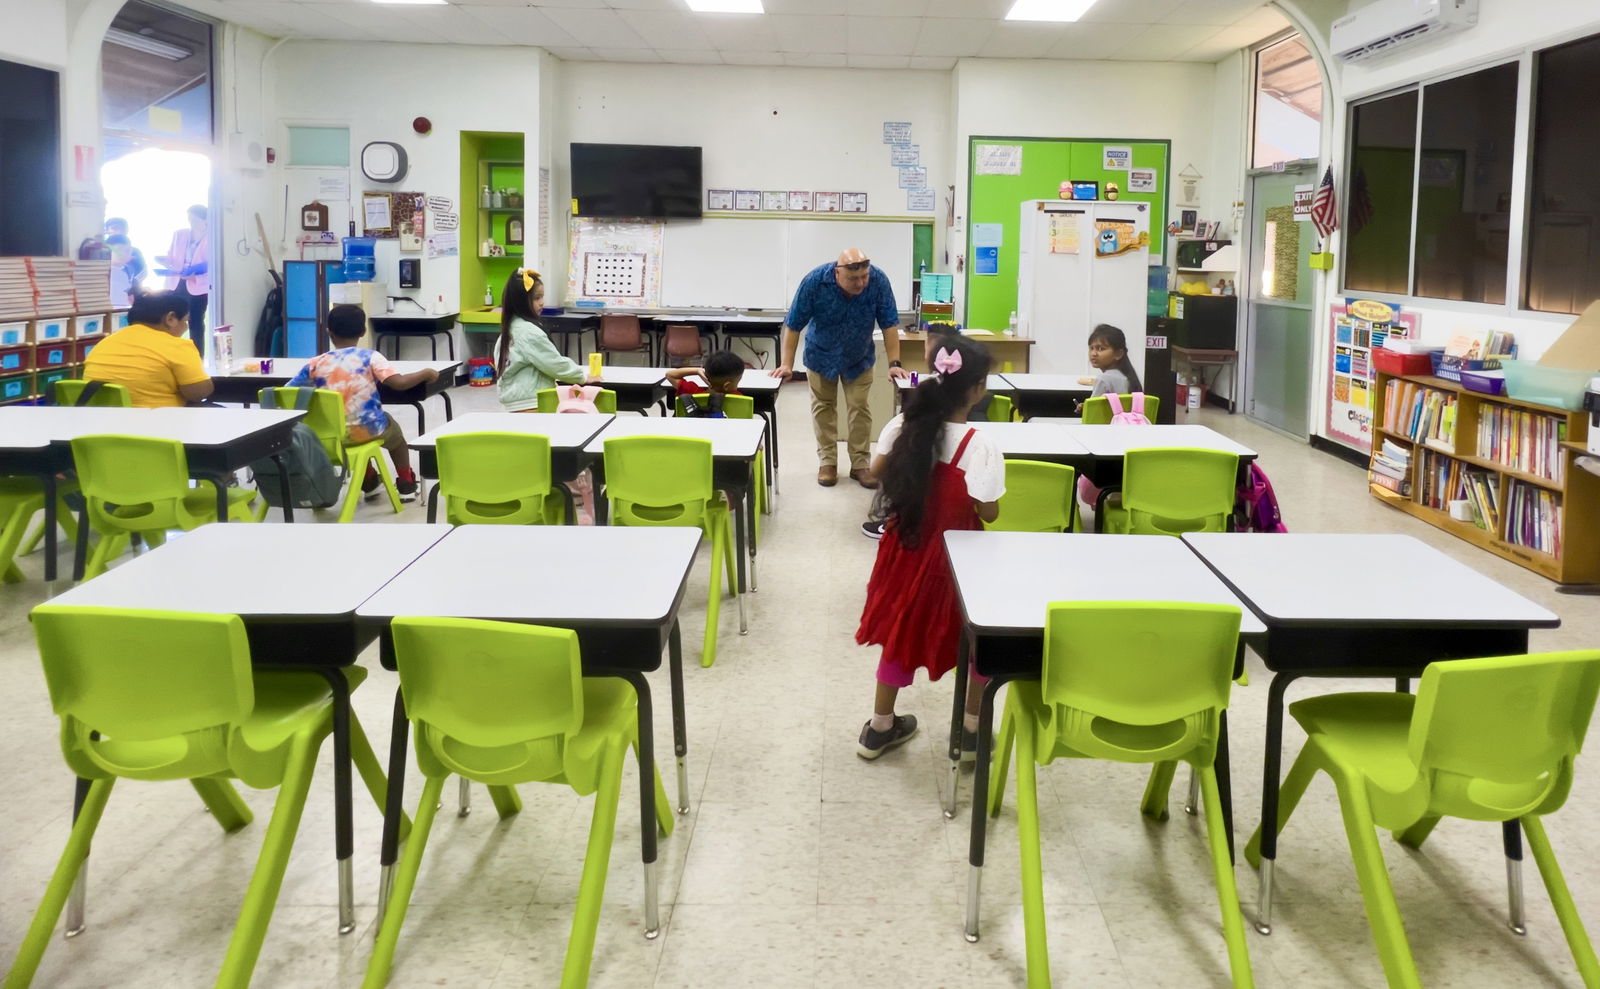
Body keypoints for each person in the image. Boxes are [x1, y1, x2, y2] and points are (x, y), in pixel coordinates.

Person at [854, 336, 1005, 759]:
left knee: (900, 633)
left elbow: (876, 472)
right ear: (976, 390)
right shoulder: (981, 444)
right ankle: (971, 730)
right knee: (977, 639)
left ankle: (880, 726)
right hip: (957, 560)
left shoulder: (904, 424)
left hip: (905, 547)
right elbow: (989, 512)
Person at [773, 248, 908, 489]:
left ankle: (860, 465)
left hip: (859, 357)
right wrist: (786, 363)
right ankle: (827, 462)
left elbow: (889, 324)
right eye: (854, 278)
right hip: (820, 356)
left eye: (864, 276)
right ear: (838, 273)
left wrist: (894, 364)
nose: (861, 283)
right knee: (823, 407)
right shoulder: (815, 282)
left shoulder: (878, 281)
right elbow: (793, 324)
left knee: (860, 408)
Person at [286, 304, 437, 502]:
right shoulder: (370, 357)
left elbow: (287, 392)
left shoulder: (315, 363)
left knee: (350, 427)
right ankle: (406, 483)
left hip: (331, 435)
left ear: (328, 332)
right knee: (396, 436)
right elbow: (398, 383)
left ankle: (369, 481)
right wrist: (426, 373)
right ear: (363, 331)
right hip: (369, 429)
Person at [861, 323, 964, 540]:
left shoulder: (902, 425)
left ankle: (894, 520)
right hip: (954, 524)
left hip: (909, 519)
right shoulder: (977, 439)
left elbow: (876, 470)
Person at [82, 290, 213, 408]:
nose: (185, 327)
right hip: (159, 426)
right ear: (171, 319)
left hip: (103, 427)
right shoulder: (176, 346)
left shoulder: (104, 344)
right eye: (185, 321)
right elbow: (198, 393)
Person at [495, 268, 595, 411]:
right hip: (532, 401)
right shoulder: (529, 332)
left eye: (542, 297)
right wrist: (582, 377)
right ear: (521, 302)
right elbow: (554, 363)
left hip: (516, 401)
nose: (542, 302)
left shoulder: (510, 329)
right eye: (537, 298)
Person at [155, 205, 210, 352]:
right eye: (189, 218)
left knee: (195, 321)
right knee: (171, 318)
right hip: (177, 281)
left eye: (194, 218)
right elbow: (172, 256)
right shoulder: (180, 234)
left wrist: (195, 273)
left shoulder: (212, 236)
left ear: (205, 219)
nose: (191, 221)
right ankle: (171, 352)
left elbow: (213, 262)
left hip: (199, 284)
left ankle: (198, 356)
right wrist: (164, 260)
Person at [665, 350, 745, 417]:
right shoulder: (741, 399)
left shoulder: (692, 392)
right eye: (738, 380)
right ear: (727, 386)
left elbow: (670, 375)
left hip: (691, 435)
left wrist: (697, 370)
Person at [1087, 323, 1142, 397]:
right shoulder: (1128, 378)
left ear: (1118, 354)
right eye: (1091, 348)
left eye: (1100, 349)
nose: (1093, 353)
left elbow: (1093, 408)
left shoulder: (1103, 379)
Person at [103, 217, 147, 288]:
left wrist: (131, 283)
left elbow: (143, 272)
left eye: (122, 228)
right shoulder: (100, 251)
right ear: (107, 230)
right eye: (114, 228)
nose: (119, 231)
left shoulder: (135, 251)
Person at [104, 235, 138, 306]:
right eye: (119, 250)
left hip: (123, 312)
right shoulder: (100, 271)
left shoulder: (129, 271)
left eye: (127, 250)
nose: (123, 254)